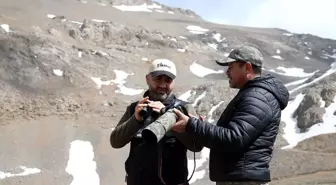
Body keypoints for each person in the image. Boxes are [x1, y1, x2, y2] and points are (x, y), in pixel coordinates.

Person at [171, 45, 290, 185]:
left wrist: (191, 125)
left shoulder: (257, 97)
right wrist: (196, 125)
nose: (227, 72)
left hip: (241, 180)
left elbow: (234, 138)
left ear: (247, 67)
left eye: (231, 67)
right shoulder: (255, 94)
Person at [110, 59, 203, 185]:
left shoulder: (184, 109)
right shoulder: (135, 108)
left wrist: (169, 118)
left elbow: (196, 145)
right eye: (158, 79)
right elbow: (115, 141)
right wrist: (135, 120)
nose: (163, 85)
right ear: (147, 79)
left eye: (168, 80)